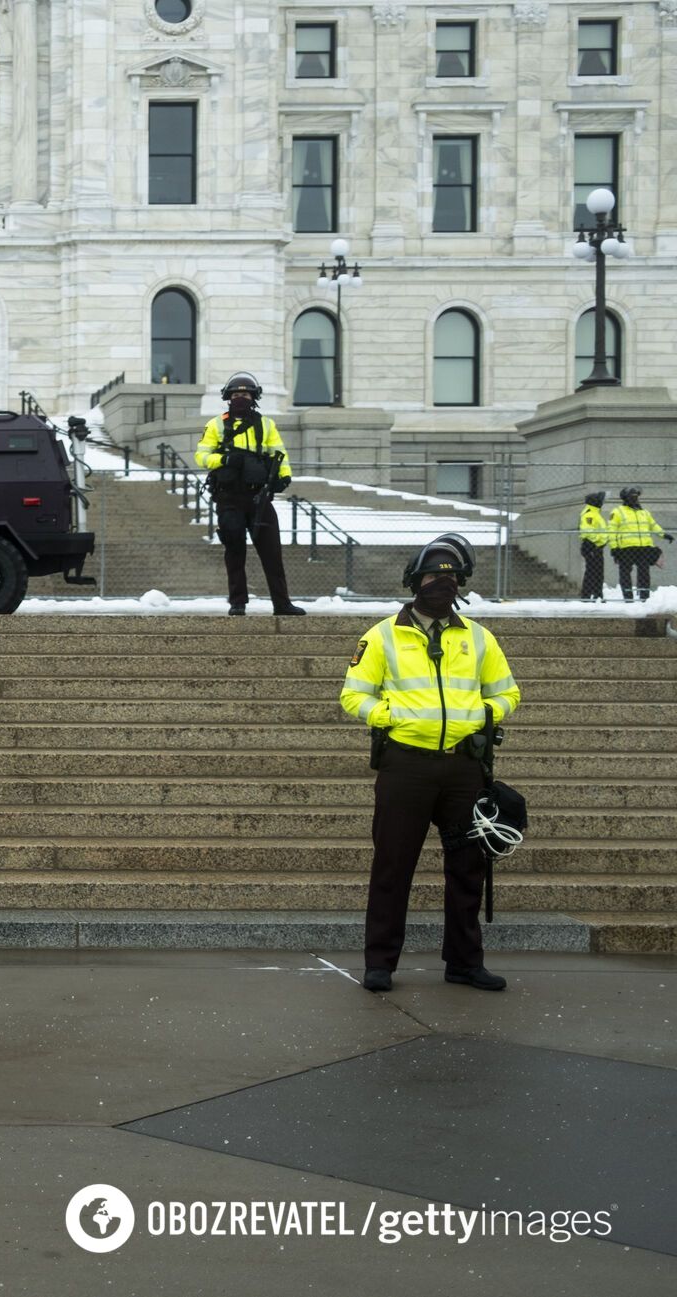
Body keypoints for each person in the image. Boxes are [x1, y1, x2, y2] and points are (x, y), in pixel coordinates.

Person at [340, 533, 520, 994]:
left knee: (467, 869)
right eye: (433, 576)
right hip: (405, 767)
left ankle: (464, 963)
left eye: (451, 577)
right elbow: (353, 694)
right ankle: (380, 963)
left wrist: (485, 715)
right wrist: (389, 717)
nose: (442, 584)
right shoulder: (381, 636)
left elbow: (507, 693)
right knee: (392, 867)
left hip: (464, 768)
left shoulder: (479, 638)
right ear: (413, 582)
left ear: (461, 584)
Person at [194, 372, 304, 616]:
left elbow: (279, 453)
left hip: (259, 497)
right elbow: (201, 456)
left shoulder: (266, 424)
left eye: (244, 395)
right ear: (228, 398)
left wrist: (284, 477)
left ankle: (282, 603)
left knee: (272, 552)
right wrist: (225, 459)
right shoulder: (215, 425)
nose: (240, 398)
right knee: (234, 550)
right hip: (229, 497)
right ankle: (238, 602)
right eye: (235, 395)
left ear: (253, 397)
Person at [607, 487, 671, 604]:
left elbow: (653, 525)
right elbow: (611, 531)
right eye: (632, 496)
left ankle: (644, 597)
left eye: (636, 496)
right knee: (625, 573)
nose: (635, 498)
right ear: (625, 498)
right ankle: (628, 597)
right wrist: (614, 548)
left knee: (644, 573)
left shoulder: (644, 512)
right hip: (626, 549)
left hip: (644, 548)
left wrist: (663, 534)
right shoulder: (617, 512)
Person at [577, 491, 610, 601]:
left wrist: (602, 542)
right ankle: (586, 596)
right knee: (591, 572)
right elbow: (588, 531)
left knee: (598, 572)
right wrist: (598, 542)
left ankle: (597, 595)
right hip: (591, 546)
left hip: (597, 547)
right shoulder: (590, 514)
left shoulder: (595, 513)